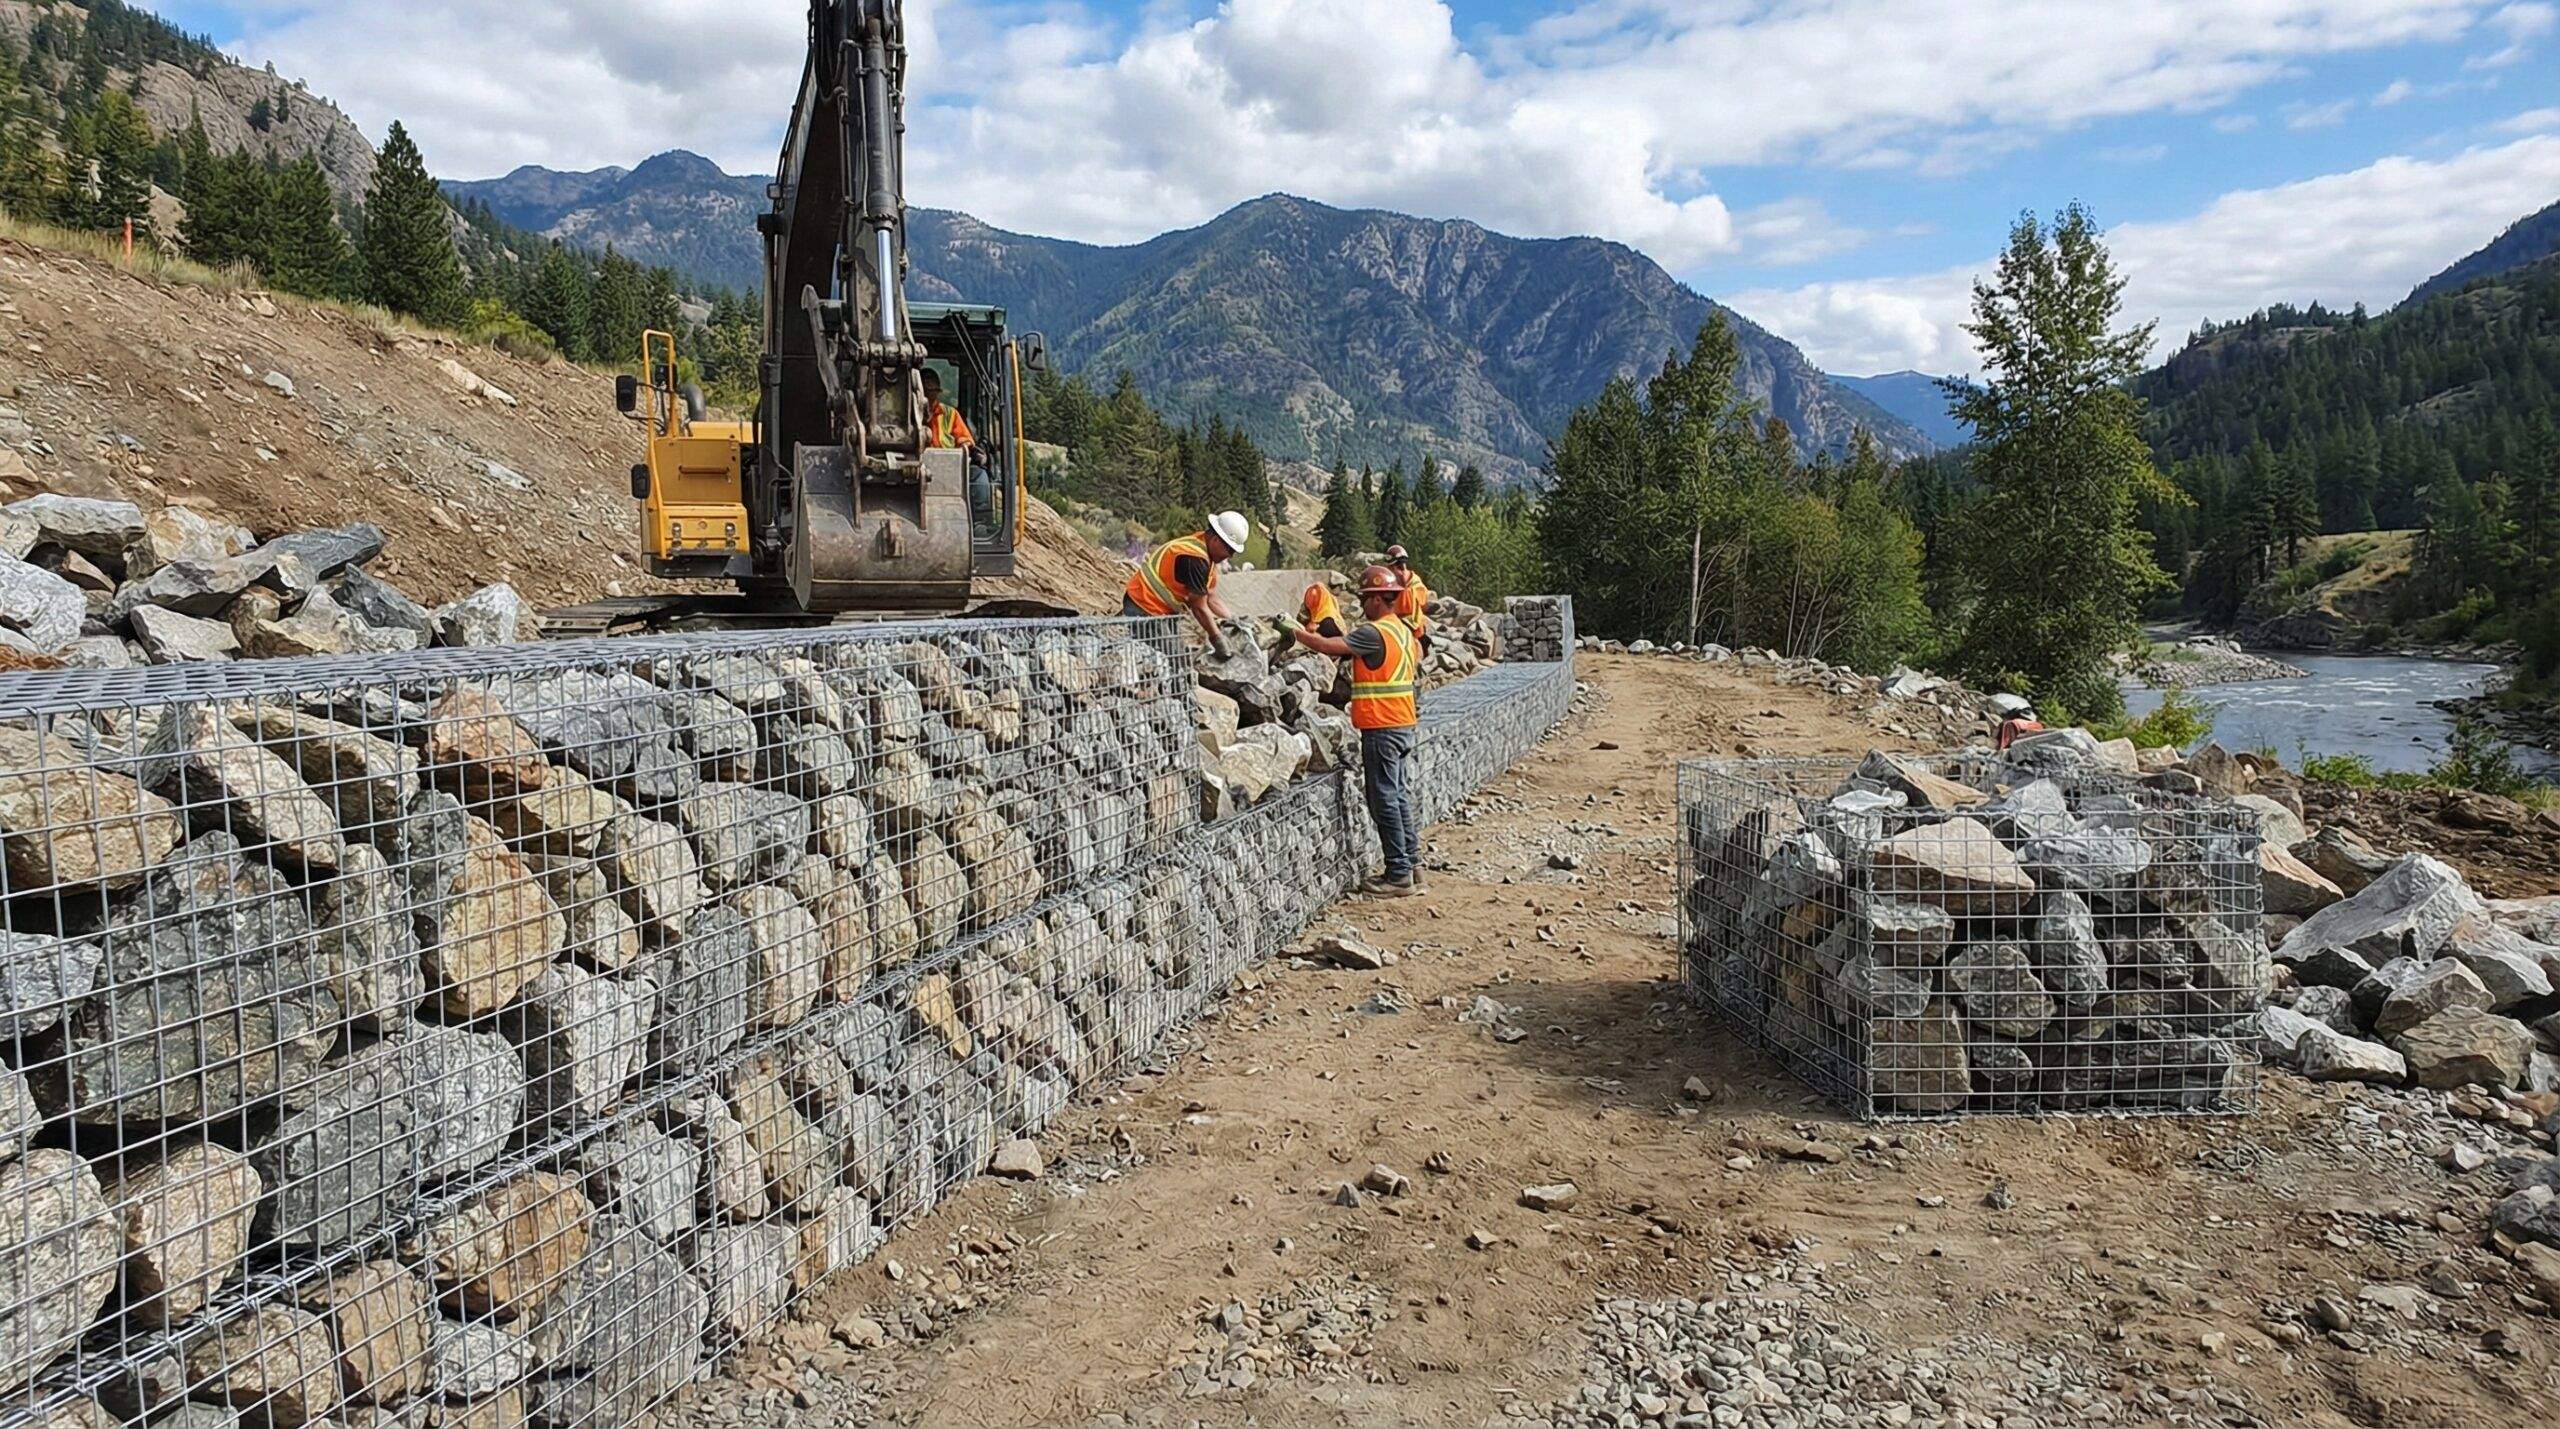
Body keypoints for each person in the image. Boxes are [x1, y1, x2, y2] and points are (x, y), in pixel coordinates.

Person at [1282, 565, 1424, 897]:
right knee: (1398, 795)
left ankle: (1398, 875)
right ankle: (1413, 866)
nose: (1361, 605)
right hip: (1402, 723)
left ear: (1377, 599)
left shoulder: (1373, 633)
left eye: (1364, 599)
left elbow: (1328, 646)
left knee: (1384, 799)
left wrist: (1294, 631)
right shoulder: (1402, 630)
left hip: (1381, 725)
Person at [1124, 511, 1251, 658]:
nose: (1230, 556)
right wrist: (1217, 639)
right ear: (1216, 540)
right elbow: (1199, 608)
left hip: (1157, 609)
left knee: (1175, 658)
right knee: (1172, 660)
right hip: (1144, 605)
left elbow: (1210, 596)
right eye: (1230, 549)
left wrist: (1232, 620)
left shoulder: (1204, 551)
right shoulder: (1194, 558)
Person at [1386, 545, 1433, 645]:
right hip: (1414, 629)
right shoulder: (1416, 582)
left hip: (1403, 629)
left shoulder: (1392, 583)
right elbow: (1424, 604)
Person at [919, 370, 974, 452]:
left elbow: (965, 440)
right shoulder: (909, 416)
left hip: (946, 458)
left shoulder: (951, 414)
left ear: (937, 392)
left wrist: (964, 446)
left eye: (932, 391)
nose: (928, 397)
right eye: (925, 393)